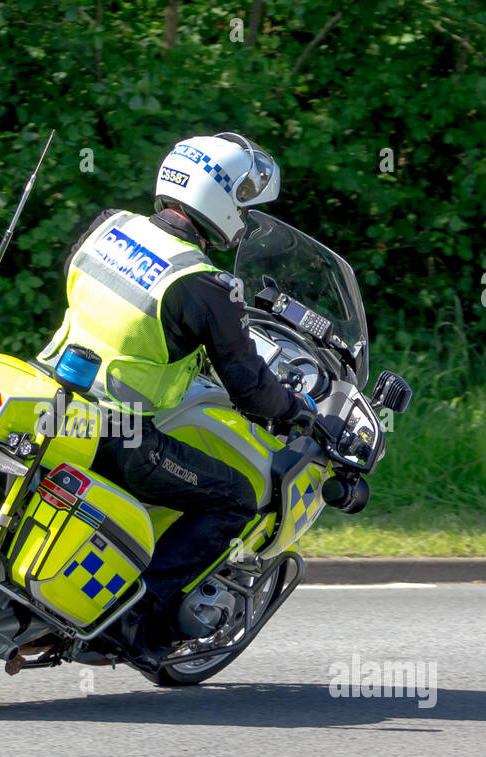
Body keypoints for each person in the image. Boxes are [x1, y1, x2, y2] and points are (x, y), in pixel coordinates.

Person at [37, 132, 317, 672]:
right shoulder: (206, 283)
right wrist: (297, 410)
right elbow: (251, 388)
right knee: (233, 497)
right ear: (223, 200)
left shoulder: (108, 226)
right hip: (118, 432)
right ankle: (138, 624)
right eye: (245, 200)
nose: (247, 214)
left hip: (50, 396)